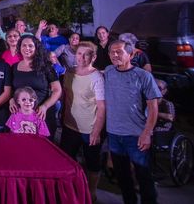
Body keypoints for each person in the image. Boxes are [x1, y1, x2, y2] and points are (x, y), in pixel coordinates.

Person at [105, 40, 161, 204]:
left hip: (136, 135)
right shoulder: (108, 72)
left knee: (144, 177)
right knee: (123, 178)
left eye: (119, 51)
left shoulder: (143, 75)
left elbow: (153, 107)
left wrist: (147, 133)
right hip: (114, 135)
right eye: (112, 52)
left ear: (130, 54)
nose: (115, 55)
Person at [60, 41, 105, 203]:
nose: (82, 57)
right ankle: (71, 190)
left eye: (87, 54)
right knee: (67, 160)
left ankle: (92, 192)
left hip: (89, 128)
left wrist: (96, 131)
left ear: (93, 57)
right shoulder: (69, 72)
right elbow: (66, 96)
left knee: (92, 162)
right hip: (69, 126)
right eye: (79, 53)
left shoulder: (97, 77)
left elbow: (101, 107)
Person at [9, 36, 62, 138]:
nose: (27, 48)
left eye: (30, 46)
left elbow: (57, 90)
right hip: (20, 116)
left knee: (43, 149)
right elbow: (11, 89)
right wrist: (11, 99)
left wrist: (45, 106)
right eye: (24, 45)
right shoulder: (14, 68)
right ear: (19, 47)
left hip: (41, 115)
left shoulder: (46, 66)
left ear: (36, 48)